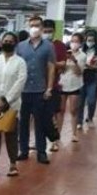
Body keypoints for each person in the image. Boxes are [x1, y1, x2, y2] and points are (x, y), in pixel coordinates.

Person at [0, 32, 27, 177]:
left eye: (10, 41)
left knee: (11, 135)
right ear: (1, 43)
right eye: (5, 40)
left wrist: (6, 100)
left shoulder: (20, 62)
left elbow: (20, 82)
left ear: (15, 44)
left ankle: (13, 164)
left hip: (12, 105)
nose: (7, 42)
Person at [15, 16, 56, 165]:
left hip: (40, 90)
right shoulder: (20, 46)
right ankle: (23, 150)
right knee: (23, 123)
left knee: (40, 122)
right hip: (23, 90)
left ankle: (42, 152)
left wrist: (49, 88)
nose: (34, 28)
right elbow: (16, 67)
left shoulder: (48, 46)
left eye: (37, 25)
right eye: (31, 25)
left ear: (42, 27)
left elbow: (51, 67)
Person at [43, 20, 67, 153]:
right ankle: (39, 138)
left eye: (49, 31)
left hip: (54, 85)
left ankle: (55, 140)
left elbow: (63, 63)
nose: (47, 34)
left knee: (55, 113)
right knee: (39, 114)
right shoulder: (38, 45)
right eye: (45, 31)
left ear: (54, 31)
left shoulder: (60, 46)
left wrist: (51, 64)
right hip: (39, 85)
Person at [58, 32, 85, 142]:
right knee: (61, 110)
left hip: (75, 85)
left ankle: (74, 133)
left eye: (76, 41)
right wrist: (65, 61)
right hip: (63, 84)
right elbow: (60, 70)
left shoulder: (82, 56)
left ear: (80, 43)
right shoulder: (64, 54)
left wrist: (74, 60)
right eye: (72, 41)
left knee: (73, 110)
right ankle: (58, 133)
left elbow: (79, 72)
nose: (74, 44)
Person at [77, 28, 97, 130]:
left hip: (93, 75)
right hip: (81, 75)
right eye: (88, 40)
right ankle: (79, 121)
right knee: (80, 101)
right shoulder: (80, 48)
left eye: (92, 40)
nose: (90, 42)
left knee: (91, 100)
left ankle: (90, 118)